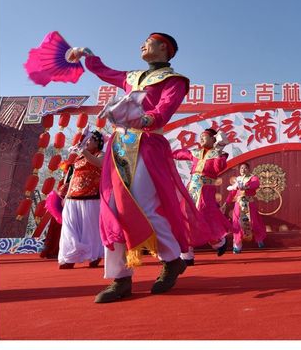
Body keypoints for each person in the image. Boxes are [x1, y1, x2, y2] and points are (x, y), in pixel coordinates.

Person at [67, 34, 203, 302]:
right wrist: (86, 54)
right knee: (114, 207)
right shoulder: (133, 77)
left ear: (164, 47)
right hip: (120, 146)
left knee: (142, 206)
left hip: (148, 145)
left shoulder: (174, 81)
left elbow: (162, 113)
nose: (142, 45)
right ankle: (120, 278)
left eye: (148, 41)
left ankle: (172, 258)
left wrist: (135, 118)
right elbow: (105, 72)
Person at [173, 127, 231, 260]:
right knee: (185, 217)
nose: (201, 139)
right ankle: (186, 255)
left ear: (213, 139)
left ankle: (218, 242)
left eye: (204, 136)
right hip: (192, 189)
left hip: (206, 189)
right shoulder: (195, 153)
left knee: (205, 215)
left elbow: (218, 168)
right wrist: (162, 151)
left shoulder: (219, 155)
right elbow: (178, 154)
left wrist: (218, 151)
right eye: (201, 136)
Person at [57, 130, 105, 269]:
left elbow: (99, 163)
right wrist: (66, 195)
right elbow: (73, 176)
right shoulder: (79, 157)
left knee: (90, 229)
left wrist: (84, 152)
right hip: (73, 197)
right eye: (87, 140)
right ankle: (70, 257)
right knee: (69, 228)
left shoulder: (100, 154)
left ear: (98, 143)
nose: (87, 142)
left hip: (91, 197)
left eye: (91, 140)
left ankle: (94, 255)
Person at [225, 162, 266, 253]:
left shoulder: (253, 178)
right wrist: (226, 203)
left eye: (245, 168)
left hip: (249, 204)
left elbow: (256, 185)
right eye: (241, 168)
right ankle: (237, 245)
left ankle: (259, 239)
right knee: (237, 223)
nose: (243, 170)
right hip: (238, 205)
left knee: (254, 222)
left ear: (248, 169)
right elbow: (232, 193)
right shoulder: (238, 180)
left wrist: (245, 186)